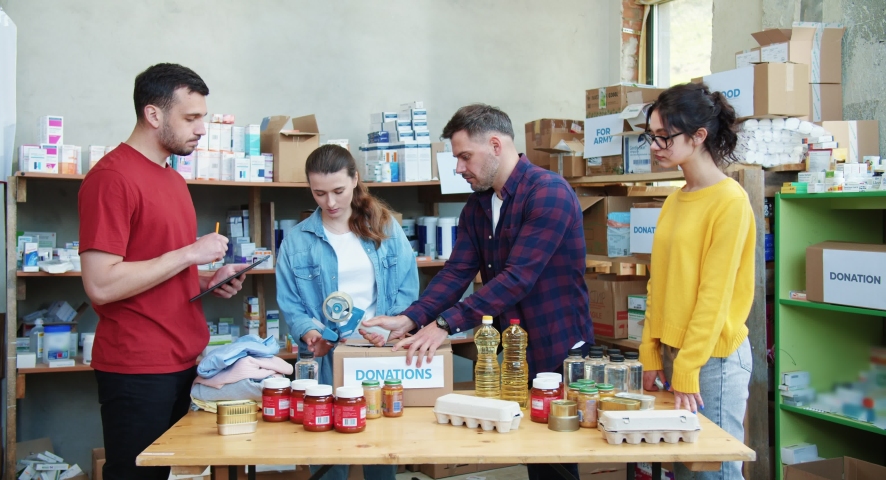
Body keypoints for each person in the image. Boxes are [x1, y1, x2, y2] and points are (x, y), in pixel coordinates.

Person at [361, 104, 593, 480]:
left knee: (555, 455)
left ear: (497, 145)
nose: (458, 168)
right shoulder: (479, 205)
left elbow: (517, 278)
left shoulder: (549, 193)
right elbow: (457, 272)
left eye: (465, 156)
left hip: (557, 346)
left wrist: (444, 324)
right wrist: (411, 318)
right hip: (512, 345)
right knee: (528, 451)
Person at [78, 63, 249, 480]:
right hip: (137, 366)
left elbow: (155, 268)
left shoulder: (172, 179)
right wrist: (191, 254)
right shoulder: (112, 178)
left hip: (184, 359)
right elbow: (101, 284)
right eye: (190, 118)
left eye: (203, 117)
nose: (202, 128)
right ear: (153, 115)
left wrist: (209, 281)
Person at [275, 144, 418, 480]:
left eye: (338, 190)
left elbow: (407, 289)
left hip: (376, 355)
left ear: (355, 179)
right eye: (319, 193)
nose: (331, 203)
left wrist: (388, 330)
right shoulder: (296, 241)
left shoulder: (385, 227)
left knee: (381, 447)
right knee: (325, 454)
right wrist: (311, 334)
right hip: (324, 359)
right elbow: (291, 303)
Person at [639, 83, 755, 480]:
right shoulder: (676, 198)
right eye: (650, 135)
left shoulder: (730, 202)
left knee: (713, 474)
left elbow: (714, 297)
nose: (654, 145)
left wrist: (688, 366)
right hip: (678, 355)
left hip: (714, 360)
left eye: (663, 137)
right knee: (686, 471)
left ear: (698, 136)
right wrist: (651, 350)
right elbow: (660, 283)